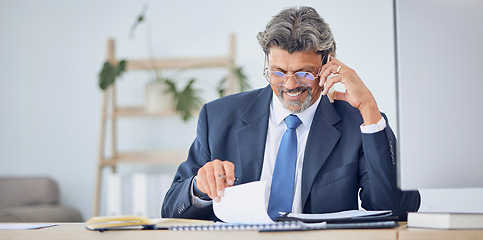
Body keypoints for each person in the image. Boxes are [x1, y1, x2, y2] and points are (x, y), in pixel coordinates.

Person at [161, 6, 420, 221]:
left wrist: (370, 111)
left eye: (304, 73)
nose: (290, 85)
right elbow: (171, 209)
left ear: (328, 63)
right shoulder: (218, 117)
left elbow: (396, 211)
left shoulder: (357, 123)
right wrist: (198, 188)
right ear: (267, 63)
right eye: (278, 72)